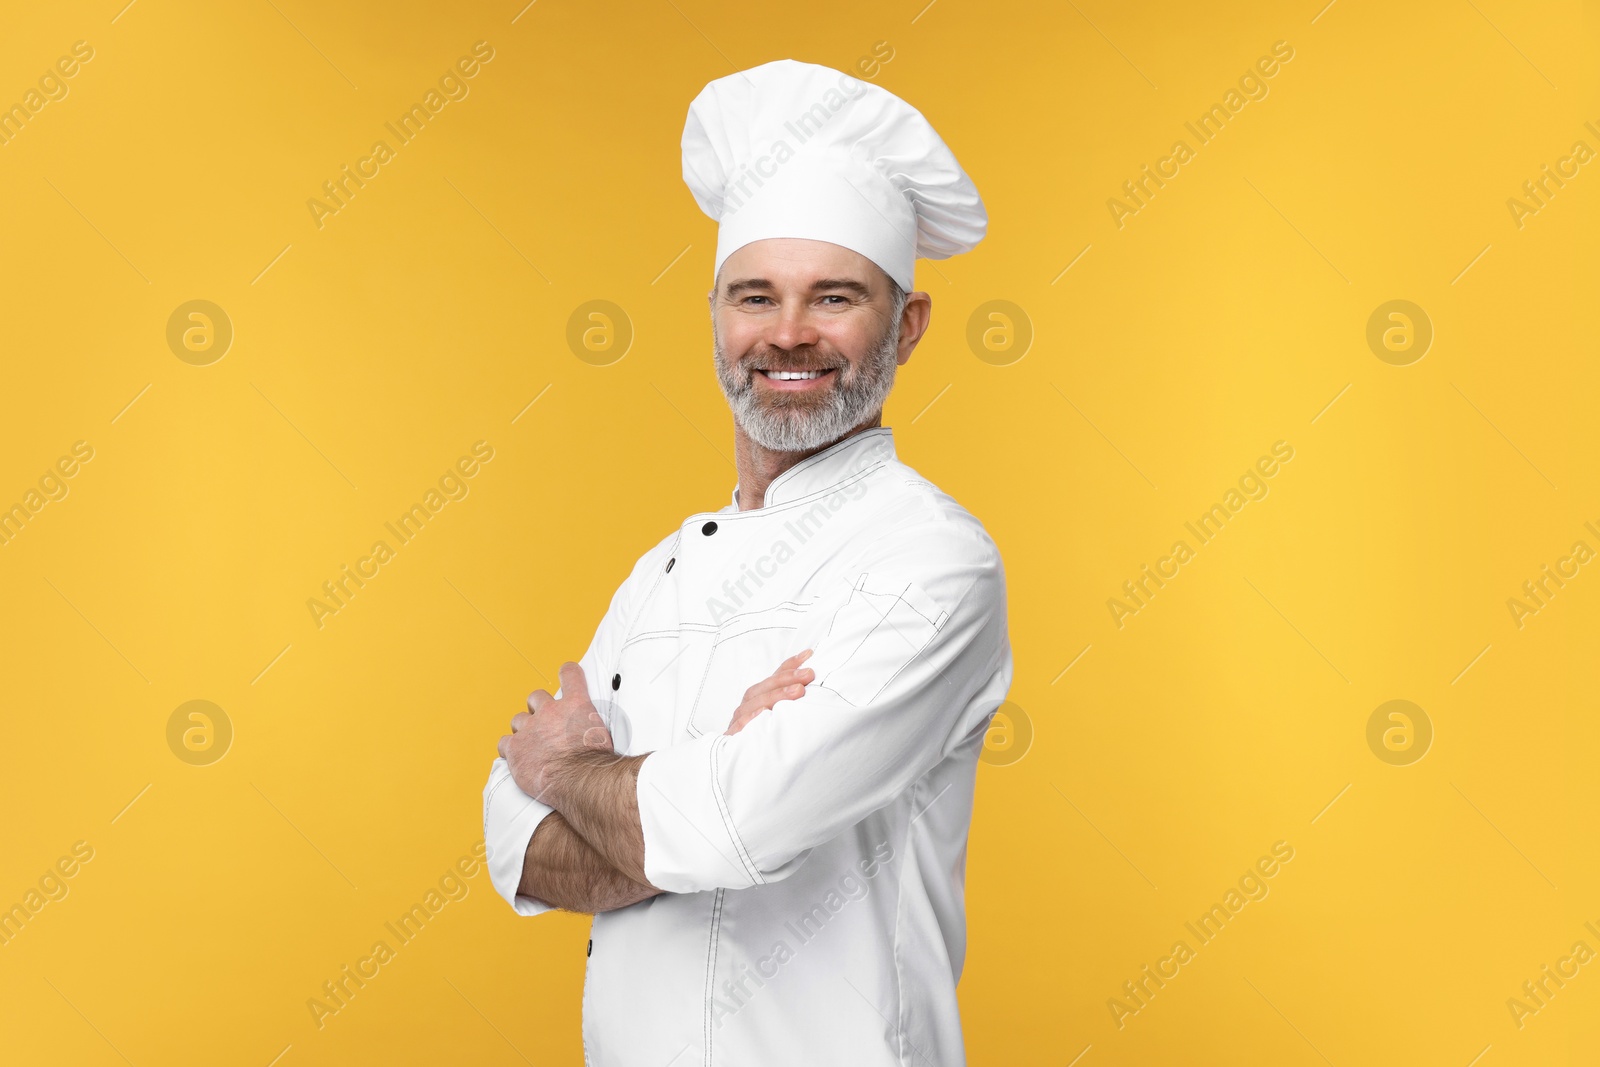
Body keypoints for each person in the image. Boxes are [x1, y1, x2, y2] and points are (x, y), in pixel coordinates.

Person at [483, 58, 1012, 1066]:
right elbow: (513, 840)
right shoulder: (657, 573)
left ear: (906, 328)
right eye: (754, 296)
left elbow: (733, 825)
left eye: (835, 298)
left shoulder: (934, 560)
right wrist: (686, 790)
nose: (787, 334)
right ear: (716, 319)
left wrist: (571, 768)